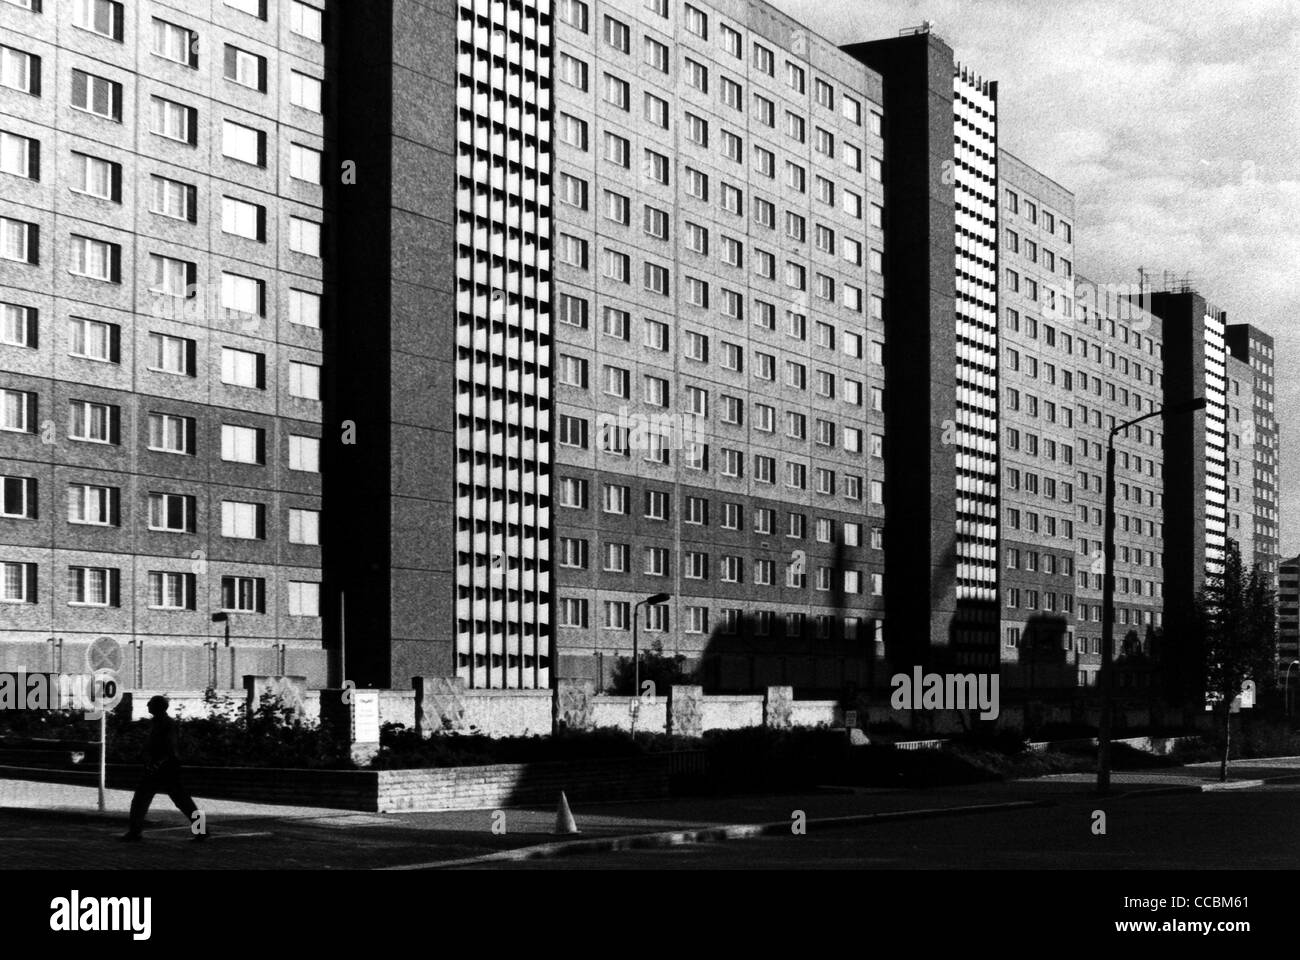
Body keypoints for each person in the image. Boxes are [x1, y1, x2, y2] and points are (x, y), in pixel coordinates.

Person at [118, 696, 206, 842]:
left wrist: (157, 763)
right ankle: (201, 831)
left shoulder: (166, 724)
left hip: (164, 767)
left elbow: (169, 747)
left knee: (144, 800)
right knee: (181, 801)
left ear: (158, 707)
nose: (147, 705)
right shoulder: (159, 723)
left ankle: (135, 832)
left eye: (150, 703)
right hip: (162, 766)